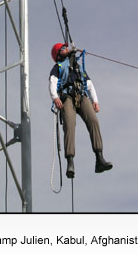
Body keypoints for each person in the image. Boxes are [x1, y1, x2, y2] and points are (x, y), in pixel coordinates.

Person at [49, 42, 113, 178]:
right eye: (63, 48)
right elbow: (52, 82)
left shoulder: (77, 67)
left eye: (66, 47)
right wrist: (55, 97)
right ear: (58, 54)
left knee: (93, 121)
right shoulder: (58, 67)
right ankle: (70, 161)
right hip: (67, 97)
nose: (67, 49)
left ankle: (99, 158)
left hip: (81, 95)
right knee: (69, 125)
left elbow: (89, 84)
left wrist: (94, 100)